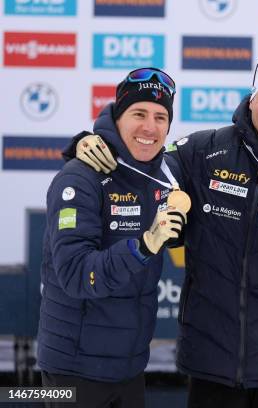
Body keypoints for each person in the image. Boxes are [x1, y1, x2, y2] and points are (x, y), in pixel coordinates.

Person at [71, 51, 258, 408]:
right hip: (211, 362)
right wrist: (90, 140)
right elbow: (139, 163)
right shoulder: (202, 150)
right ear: (251, 99)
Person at [37, 67, 187, 407]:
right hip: (72, 370)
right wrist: (145, 246)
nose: (150, 127)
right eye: (139, 113)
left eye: (160, 117)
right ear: (117, 116)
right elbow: (77, 276)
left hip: (129, 367)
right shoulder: (79, 178)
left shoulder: (165, 173)